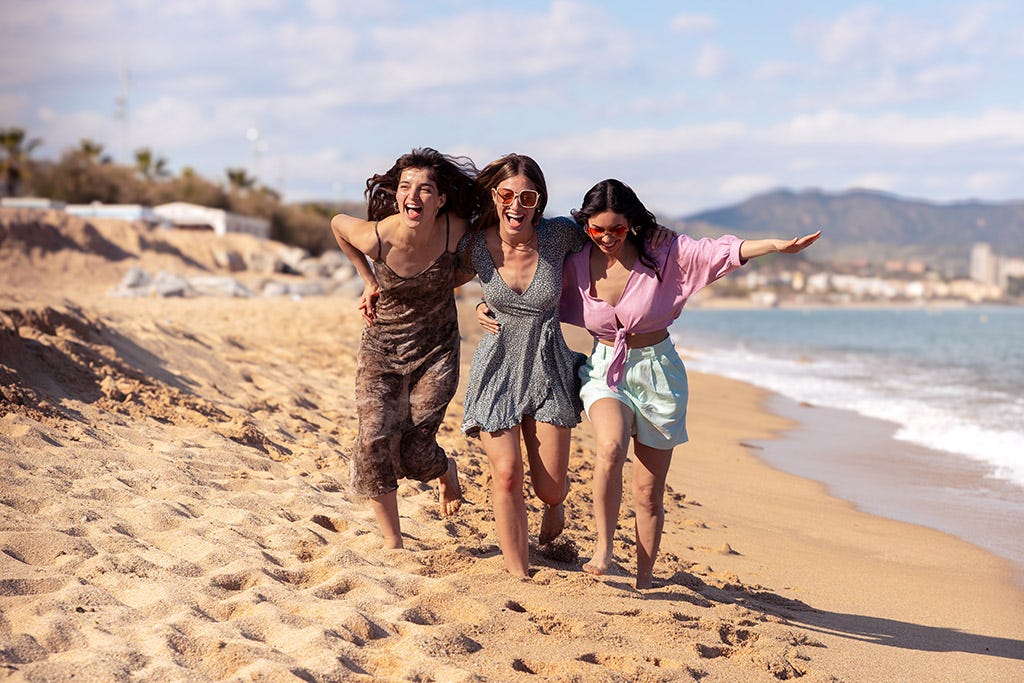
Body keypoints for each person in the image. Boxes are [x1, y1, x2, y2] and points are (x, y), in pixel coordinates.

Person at [559, 178, 820, 589]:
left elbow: (720, 251)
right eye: (597, 229)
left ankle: (645, 578)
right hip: (606, 367)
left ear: (632, 224)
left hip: (659, 372)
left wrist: (772, 245)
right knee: (610, 446)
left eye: (618, 229)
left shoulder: (665, 253)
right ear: (586, 225)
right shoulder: (573, 259)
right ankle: (603, 549)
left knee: (648, 492)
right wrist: (489, 304)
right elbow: (525, 280)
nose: (607, 238)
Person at [330, 148, 483, 549]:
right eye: (405, 187)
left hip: (436, 352)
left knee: (416, 451)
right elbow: (338, 225)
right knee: (373, 439)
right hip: (381, 349)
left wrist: (464, 282)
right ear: (397, 195)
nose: (413, 195)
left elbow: (487, 253)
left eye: (425, 189)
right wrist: (367, 280)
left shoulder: (453, 231)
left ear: (441, 199)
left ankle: (445, 470)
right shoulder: (378, 235)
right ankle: (393, 540)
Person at [458, 153, 587, 578]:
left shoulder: (560, 236)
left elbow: (610, 244)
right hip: (497, 365)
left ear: (538, 201)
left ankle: (555, 505)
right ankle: (519, 571)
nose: (517, 204)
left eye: (527, 196)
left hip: (548, 363)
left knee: (549, 484)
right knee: (508, 474)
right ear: (494, 196)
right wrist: (479, 302)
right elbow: (430, 272)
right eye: (508, 194)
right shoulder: (474, 243)